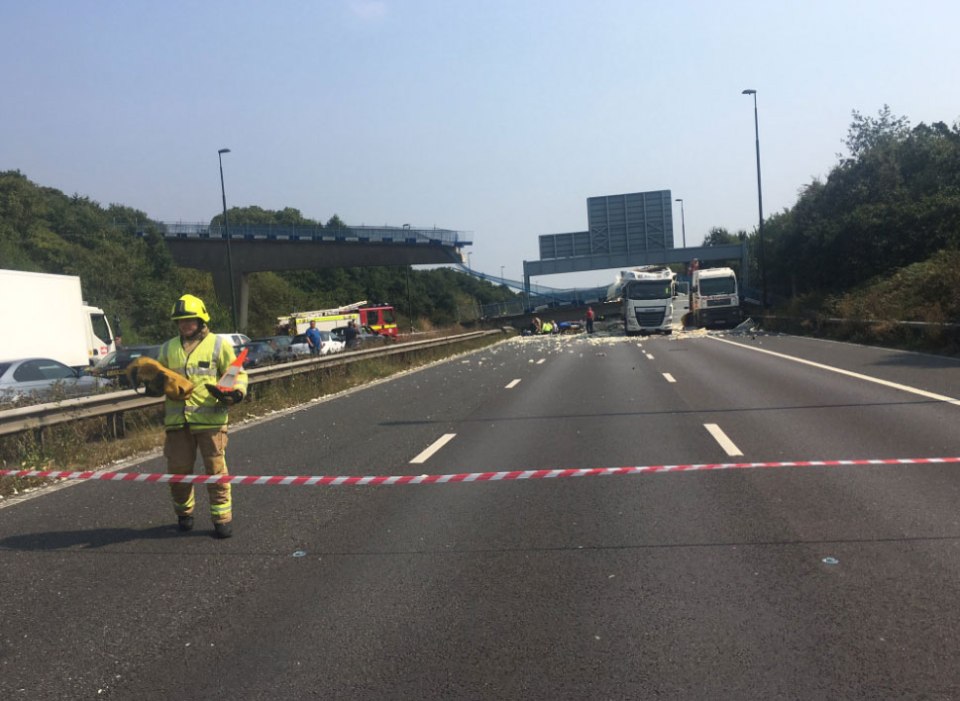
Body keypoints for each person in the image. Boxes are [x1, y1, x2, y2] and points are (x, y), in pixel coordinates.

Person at [157, 294, 248, 539]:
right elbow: (158, 377)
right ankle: (184, 514)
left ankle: (222, 519)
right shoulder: (167, 348)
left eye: (189, 320)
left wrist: (236, 393)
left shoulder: (218, 345)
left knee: (216, 472)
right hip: (178, 423)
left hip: (211, 422)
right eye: (180, 321)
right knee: (177, 473)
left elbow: (236, 374)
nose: (184, 325)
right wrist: (152, 383)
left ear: (201, 320)